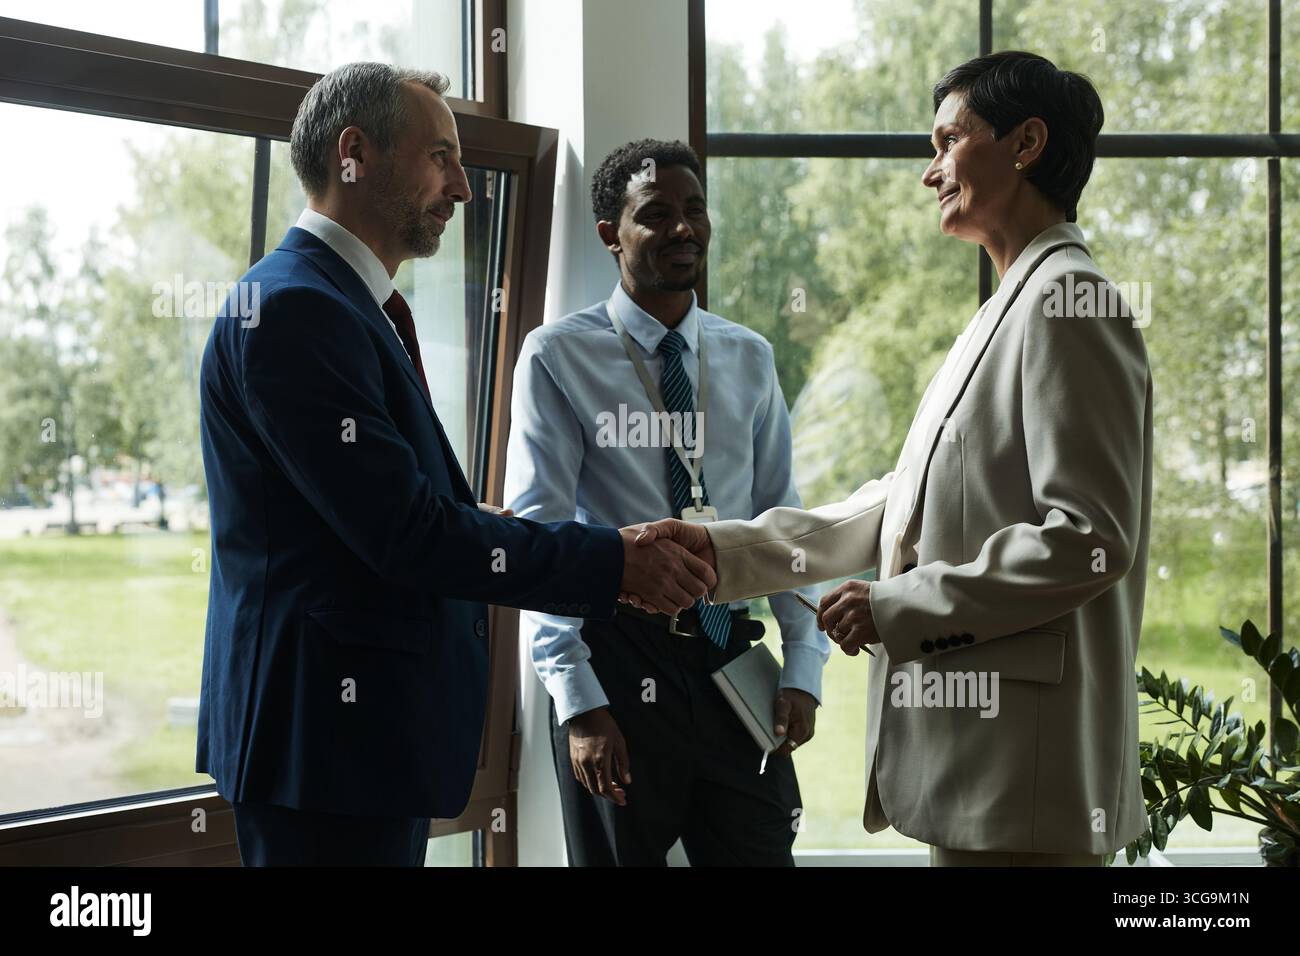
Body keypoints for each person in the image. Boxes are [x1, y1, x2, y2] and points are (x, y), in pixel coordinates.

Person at [632, 51, 1152, 867]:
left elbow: (1089, 537)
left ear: (1026, 143)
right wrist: (723, 550)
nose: (930, 171)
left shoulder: (1066, 303)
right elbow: (901, 503)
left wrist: (900, 607)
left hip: (1027, 784)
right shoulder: (1005, 311)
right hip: (989, 777)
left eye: (948, 142)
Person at [197, 63, 714, 866]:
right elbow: (404, 534)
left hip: (355, 748)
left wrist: (483, 529)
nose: (465, 189)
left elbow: (383, 516)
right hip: (327, 752)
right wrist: (614, 560)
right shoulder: (298, 309)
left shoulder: (338, 306)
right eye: (442, 156)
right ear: (354, 154)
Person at [504, 139, 829, 866]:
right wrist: (580, 702)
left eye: (694, 210)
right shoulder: (557, 356)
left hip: (730, 657)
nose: (684, 228)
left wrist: (803, 665)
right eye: (656, 215)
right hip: (615, 662)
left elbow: (785, 518)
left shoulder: (749, 355)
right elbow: (541, 537)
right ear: (609, 234)